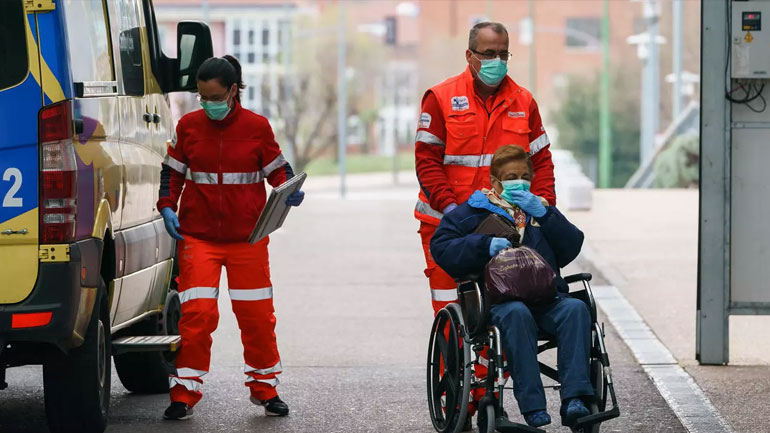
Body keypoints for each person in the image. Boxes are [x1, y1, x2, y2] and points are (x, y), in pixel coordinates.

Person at [414, 21, 556, 417]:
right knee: (456, 314)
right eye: (488, 54)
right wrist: (452, 209)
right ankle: (455, 394)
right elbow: (427, 161)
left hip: (509, 232)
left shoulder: (523, 101)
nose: (496, 61)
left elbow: (541, 161)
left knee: (511, 308)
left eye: (503, 54)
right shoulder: (441, 98)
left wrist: (542, 206)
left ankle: (486, 389)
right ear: (470, 55)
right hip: (449, 228)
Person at [157, 55, 304, 420]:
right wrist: (166, 206)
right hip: (199, 238)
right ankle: (184, 392)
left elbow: (277, 169)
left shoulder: (257, 127)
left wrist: (289, 189)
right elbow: (171, 172)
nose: (208, 105)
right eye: (202, 98)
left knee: (256, 316)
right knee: (197, 315)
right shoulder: (188, 127)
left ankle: (265, 388)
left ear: (233, 91)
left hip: (248, 239)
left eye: (214, 97)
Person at [430, 145, 593, 428]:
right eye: (511, 176)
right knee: (517, 314)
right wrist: (484, 245)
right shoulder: (473, 212)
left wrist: (545, 215)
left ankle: (575, 400)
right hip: (501, 303)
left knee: (576, 309)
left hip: (547, 299)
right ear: (495, 182)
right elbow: (441, 246)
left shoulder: (539, 209)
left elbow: (571, 246)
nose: (520, 181)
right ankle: (533, 408)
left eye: (525, 176)